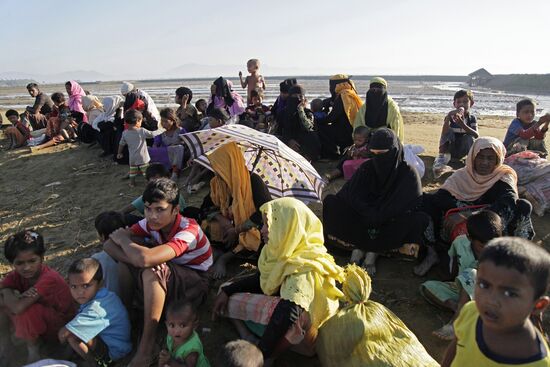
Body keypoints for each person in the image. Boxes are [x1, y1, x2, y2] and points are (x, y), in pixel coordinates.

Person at [212, 198, 344, 364]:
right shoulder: (282, 250)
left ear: (289, 228)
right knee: (226, 288)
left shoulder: (304, 268)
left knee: (296, 316)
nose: (263, 230)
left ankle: (267, 356)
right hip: (287, 318)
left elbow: (288, 313)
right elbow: (262, 280)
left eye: (269, 225)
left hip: (307, 337)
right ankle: (248, 337)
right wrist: (227, 291)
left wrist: (262, 353)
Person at [104, 178, 212, 366]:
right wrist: (136, 258)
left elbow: (141, 256)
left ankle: (146, 348)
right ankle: (127, 319)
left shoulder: (189, 230)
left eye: (160, 209)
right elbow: (108, 244)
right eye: (147, 208)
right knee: (129, 265)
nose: (152, 215)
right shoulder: (151, 223)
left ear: (175, 210)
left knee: (152, 271)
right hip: (173, 272)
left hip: (196, 281)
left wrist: (126, 243)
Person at [418, 136, 536, 276]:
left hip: (491, 227)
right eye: (481, 157)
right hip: (457, 226)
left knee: (523, 205)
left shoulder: (503, 176)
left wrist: (467, 215)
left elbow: (508, 201)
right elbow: (441, 197)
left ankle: (516, 255)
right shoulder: (462, 176)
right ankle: (433, 252)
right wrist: (461, 208)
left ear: (498, 160)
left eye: (490, 158)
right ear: (473, 157)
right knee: (426, 201)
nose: (484, 163)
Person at [323, 128, 428, 275]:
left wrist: (378, 215)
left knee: (419, 220)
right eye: (374, 154)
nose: (378, 159)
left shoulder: (408, 173)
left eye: (383, 154)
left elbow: (408, 204)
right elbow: (349, 195)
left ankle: (368, 250)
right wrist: (368, 212)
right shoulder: (367, 168)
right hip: (363, 219)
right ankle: (365, 248)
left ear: (394, 151)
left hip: (389, 222)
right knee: (332, 203)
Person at [441, 237, 550, 366]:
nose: (491, 300)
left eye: (509, 293)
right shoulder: (471, 312)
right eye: (484, 285)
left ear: (538, 305)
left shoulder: (537, 364)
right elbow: (454, 350)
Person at [193, 142, 272, 279]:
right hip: (229, 226)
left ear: (230, 164)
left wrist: (236, 230)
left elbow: (265, 213)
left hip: (248, 228)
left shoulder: (253, 181)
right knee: (194, 214)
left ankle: (225, 257)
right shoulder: (218, 182)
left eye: (220, 166)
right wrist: (223, 220)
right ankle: (216, 250)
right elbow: (205, 208)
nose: (216, 170)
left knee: (255, 235)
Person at [420, 210, 503, 340]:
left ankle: (455, 323)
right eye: (482, 245)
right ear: (470, 238)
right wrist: (449, 281)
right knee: (427, 287)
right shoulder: (460, 242)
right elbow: (453, 263)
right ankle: (461, 309)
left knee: (470, 273)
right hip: (461, 290)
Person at [0, 230, 75, 364]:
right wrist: (7, 291)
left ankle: (34, 351)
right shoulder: (16, 276)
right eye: (20, 263)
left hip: (61, 327)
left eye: (32, 261)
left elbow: (18, 308)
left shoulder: (49, 278)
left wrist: (7, 292)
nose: (26, 267)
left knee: (26, 311)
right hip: (40, 324)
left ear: (42, 258)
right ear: (12, 263)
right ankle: (6, 346)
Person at [58, 258, 131, 366]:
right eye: (74, 286)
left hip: (115, 352)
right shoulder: (106, 296)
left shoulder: (96, 309)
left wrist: (61, 340)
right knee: (75, 329)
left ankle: (95, 363)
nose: (80, 292)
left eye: (86, 286)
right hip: (118, 343)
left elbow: (63, 334)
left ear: (100, 284)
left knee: (72, 336)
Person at [433, 90, 479, 178]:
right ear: (454, 104)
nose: (462, 104)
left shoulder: (472, 118)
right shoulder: (451, 117)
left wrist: (463, 125)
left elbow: (476, 135)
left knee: (469, 137)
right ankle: (441, 158)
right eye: (459, 102)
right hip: (451, 149)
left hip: (463, 149)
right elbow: (444, 133)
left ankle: (470, 161)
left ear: (471, 103)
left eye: (465, 102)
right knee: (448, 130)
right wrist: (448, 117)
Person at [317, 74, 363, 159]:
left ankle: (332, 154)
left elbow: (332, 117)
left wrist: (318, 121)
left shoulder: (343, 96)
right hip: (352, 130)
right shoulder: (350, 93)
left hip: (344, 133)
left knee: (320, 128)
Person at [121, 163, 187, 219]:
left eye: (161, 181)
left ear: (168, 179)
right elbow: (126, 210)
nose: (158, 185)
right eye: (154, 182)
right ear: (148, 183)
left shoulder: (174, 196)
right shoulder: (149, 195)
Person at [117, 109, 162, 187]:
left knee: (132, 171)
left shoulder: (125, 133)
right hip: (142, 157)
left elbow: (121, 144)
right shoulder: (141, 131)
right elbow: (152, 134)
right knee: (146, 171)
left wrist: (119, 153)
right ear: (138, 121)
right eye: (141, 121)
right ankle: (149, 182)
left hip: (132, 158)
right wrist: (161, 130)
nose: (141, 123)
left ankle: (132, 183)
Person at [158, 300, 210, 367]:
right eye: (172, 325)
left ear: (194, 326)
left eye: (182, 325)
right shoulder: (171, 335)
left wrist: (170, 361)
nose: (176, 331)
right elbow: (168, 346)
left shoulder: (192, 348)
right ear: (166, 324)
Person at [277, 84, 321, 161]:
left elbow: (308, 127)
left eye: (300, 96)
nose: (297, 98)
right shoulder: (283, 112)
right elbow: (280, 129)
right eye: (295, 95)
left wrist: (301, 110)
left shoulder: (308, 112)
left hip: (304, 141)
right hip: (288, 140)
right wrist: (289, 140)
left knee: (312, 136)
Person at [353, 77, 404, 144]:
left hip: (386, 139)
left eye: (379, 88)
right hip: (367, 140)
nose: (375, 91)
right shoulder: (364, 107)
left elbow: (396, 128)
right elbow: (358, 125)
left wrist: (394, 142)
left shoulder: (392, 107)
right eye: (373, 89)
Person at [151, 108, 187, 180]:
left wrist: (179, 144)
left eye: (165, 121)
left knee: (179, 147)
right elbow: (155, 146)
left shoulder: (180, 130)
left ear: (172, 121)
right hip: (166, 155)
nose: (163, 123)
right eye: (162, 121)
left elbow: (187, 143)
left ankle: (175, 172)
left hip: (177, 156)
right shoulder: (161, 134)